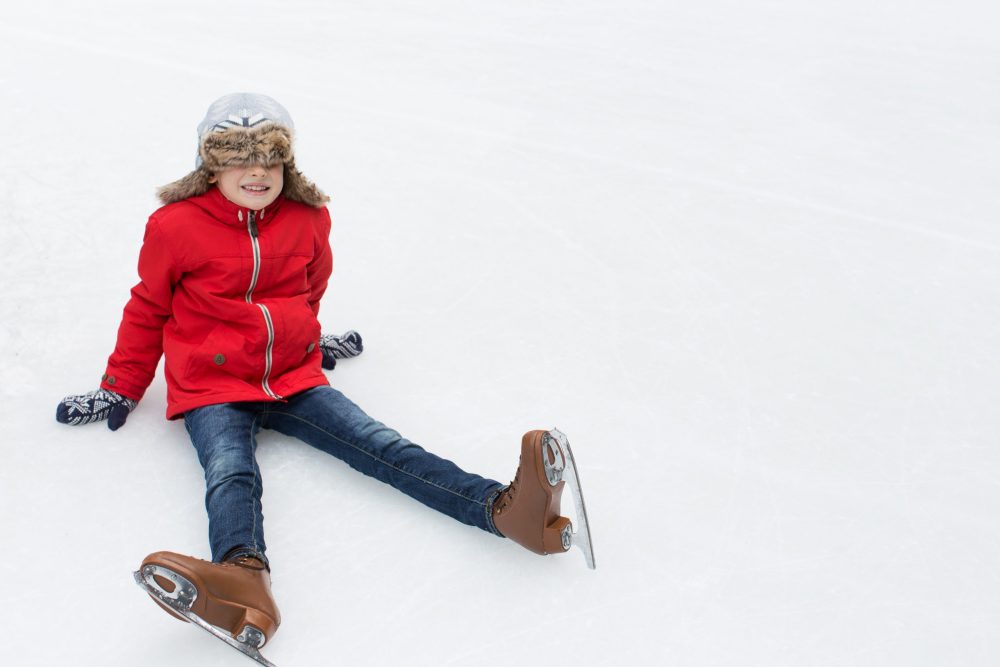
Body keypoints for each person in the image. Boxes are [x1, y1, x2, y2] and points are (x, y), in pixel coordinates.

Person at [56, 93, 593, 663]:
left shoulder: (309, 218)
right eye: (239, 158)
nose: (257, 171)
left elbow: (307, 289)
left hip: (293, 376)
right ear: (210, 165)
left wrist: (310, 338)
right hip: (211, 386)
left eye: (270, 157)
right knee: (229, 471)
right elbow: (148, 309)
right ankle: (243, 580)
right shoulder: (175, 226)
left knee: (382, 445)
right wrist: (121, 385)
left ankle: (507, 512)